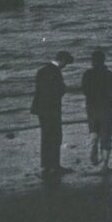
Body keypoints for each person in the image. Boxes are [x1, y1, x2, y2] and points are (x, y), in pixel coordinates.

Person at [31, 50, 73, 180]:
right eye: (65, 63)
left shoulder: (42, 70)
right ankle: (54, 166)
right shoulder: (55, 72)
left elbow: (39, 90)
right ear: (62, 60)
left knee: (46, 136)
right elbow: (59, 90)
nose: (65, 66)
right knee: (55, 136)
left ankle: (46, 166)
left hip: (41, 108)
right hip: (52, 109)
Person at [80, 48, 112, 171]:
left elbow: (84, 90)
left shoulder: (87, 74)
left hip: (92, 107)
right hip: (106, 107)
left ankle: (93, 144)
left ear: (92, 61)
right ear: (103, 60)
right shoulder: (111, 75)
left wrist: (91, 99)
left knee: (94, 130)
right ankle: (104, 165)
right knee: (106, 135)